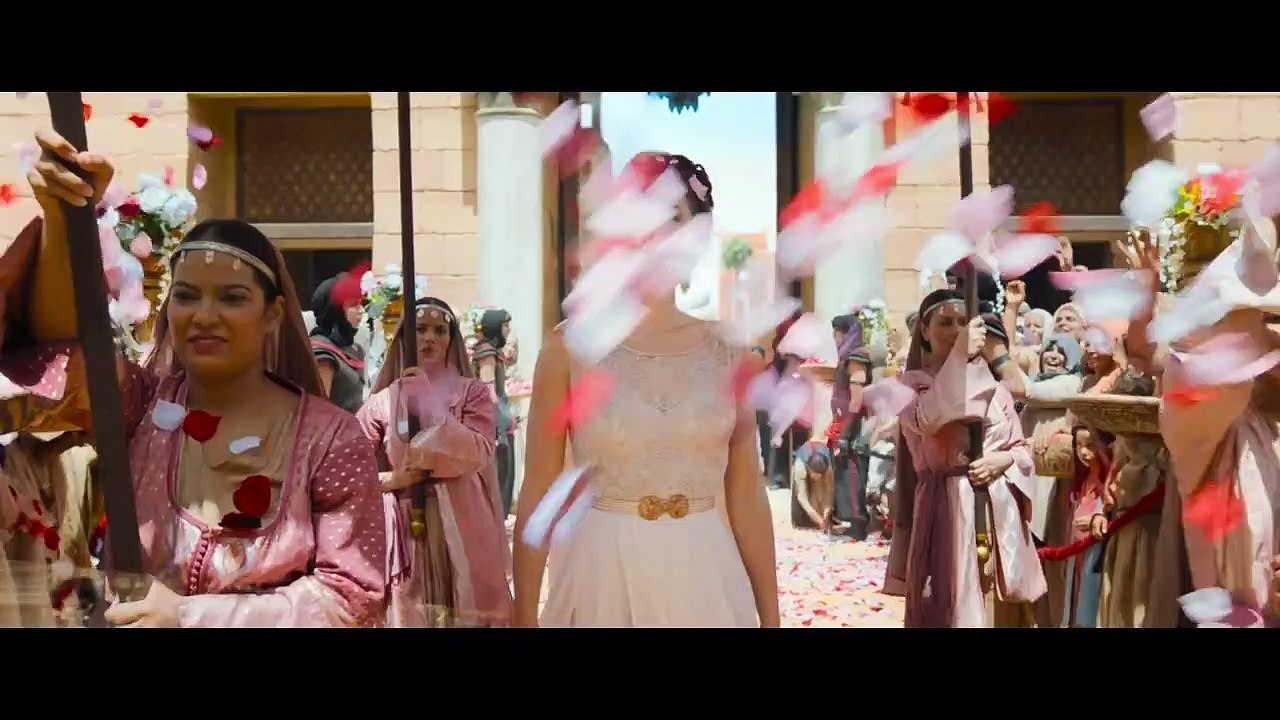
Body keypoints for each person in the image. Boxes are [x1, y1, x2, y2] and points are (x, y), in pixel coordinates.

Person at [0, 130, 387, 627]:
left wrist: (188, 616)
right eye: (186, 296)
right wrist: (65, 213)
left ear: (273, 315)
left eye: (231, 298)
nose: (204, 316)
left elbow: (350, 598)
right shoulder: (138, 406)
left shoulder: (332, 440)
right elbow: (67, 350)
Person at [513, 151, 779, 628]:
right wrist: (524, 615)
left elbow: (746, 492)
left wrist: (771, 618)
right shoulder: (569, 347)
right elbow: (538, 489)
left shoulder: (727, 352)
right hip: (602, 575)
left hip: (705, 578)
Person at [884, 288, 1046, 627]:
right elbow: (929, 419)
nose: (956, 330)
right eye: (945, 322)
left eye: (962, 322)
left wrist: (1005, 461)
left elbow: (1021, 447)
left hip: (997, 512)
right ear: (924, 332)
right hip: (946, 509)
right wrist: (959, 359)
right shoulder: (908, 387)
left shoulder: (995, 388)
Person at [356, 297, 512, 627]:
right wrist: (392, 479)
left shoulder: (472, 394)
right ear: (403, 338)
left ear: (451, 339)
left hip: (464, 522)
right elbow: (346, 467)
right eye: (421, 329)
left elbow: (478, 451)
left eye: (440, 330)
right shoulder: (382, 403)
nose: (430, 338)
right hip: (404, 526)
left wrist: (428, 401)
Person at [471, 308, 516, 519]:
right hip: (495, 420)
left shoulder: (493, 350)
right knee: (501, 468)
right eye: (505, 326)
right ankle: (496, 516)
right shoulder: (487, 353)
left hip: (501, 417)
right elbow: (488, 389)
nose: (507, 330)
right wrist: (500, 419)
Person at [310, 268, 368, 413]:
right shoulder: (321, 353)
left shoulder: (355, 348)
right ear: (335, 310)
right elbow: (319, 411)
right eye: (354, 305)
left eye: (361, 304)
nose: (361, 310)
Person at [792, 449, 834, 532]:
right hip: (802, 476)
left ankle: (819, 518)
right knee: (800, 520)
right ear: (809, 469)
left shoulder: (827, 469)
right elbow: (802, 498)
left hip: (820, 472)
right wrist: (819, 519)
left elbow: (829, 492)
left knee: (819, 490)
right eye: (816, 475)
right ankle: (811, 519)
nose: (818, 478)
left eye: (820, 476)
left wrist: (826, 513)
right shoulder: (800, 468)